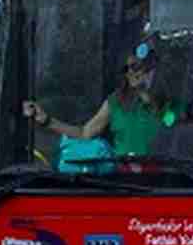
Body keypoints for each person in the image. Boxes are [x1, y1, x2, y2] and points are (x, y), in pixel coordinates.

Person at [23, 38, 176, 160]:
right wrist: (46, 120)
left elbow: (173, 125)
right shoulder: (116, 101)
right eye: (126, 68)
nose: (130, 72)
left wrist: (150, 100)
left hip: (164, 180)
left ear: (150, 69)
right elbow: (84, 133)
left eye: (136, 67)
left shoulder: (167, 102)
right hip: (123, 179)